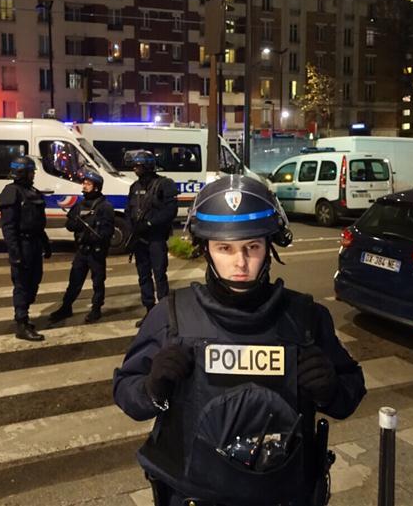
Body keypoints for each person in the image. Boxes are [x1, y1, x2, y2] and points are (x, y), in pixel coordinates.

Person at [113, 175, 366, 506]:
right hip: (194, 495)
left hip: (282, 496)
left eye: (252, 247)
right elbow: (126, 392)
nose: (240, 263)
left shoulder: (306, 317)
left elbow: (349, 394)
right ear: (206, 249)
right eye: (225, 248)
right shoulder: (171, 316)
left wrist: (331, 390)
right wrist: (152, 389)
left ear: (269, 246)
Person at [48, 168, 115, 324]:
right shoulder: (80, 205)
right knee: (74, 282)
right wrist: (77, 224)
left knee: (98, 283)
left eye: (88, 183)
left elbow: (107, 231)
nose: (84, 186)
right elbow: (69, 224)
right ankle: (66, 307)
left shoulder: (105, 207)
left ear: (96, 187)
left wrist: (95, 235)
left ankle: (96, 309)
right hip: (82, 251)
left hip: (96, 252)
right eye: (84, 183)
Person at [0, 156, 52, 342]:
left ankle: (24, 314)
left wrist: (46, 243)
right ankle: (21, 323)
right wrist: (15, 254)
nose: (33, 175)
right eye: (31, 172)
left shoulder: (31, 191)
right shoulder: (11, 192)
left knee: (34, 282)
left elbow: (37, 223)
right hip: (22, 245)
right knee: (22, 285)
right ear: (22, 172)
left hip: (35, 243)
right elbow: (9, 227)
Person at [125, 150, 178, 326]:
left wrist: (149, 224)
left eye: (138, 166)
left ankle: (164, 313)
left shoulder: (164, 184)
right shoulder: (135, 187)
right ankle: (150, 311)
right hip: (140, 240)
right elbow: (129, 211)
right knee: (143, 277)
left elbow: (170, 211)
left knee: (159, 276)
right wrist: (132, 229)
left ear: (147, 166)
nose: (135, 169)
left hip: (156, 238)